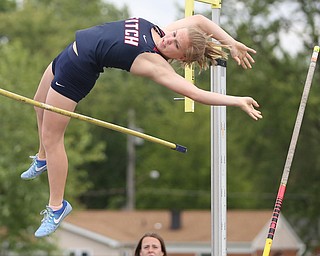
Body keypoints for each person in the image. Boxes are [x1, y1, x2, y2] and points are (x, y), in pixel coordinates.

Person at [20, 14, 263, 238]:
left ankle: (57, 206)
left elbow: (197, 94)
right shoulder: (161, 33)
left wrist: (237, 101)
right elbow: (200, 20)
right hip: (70, 52)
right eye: (175, 36)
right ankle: (42, 159)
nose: (170, 40)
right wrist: (230, 42)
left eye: (176, 45)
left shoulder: (155, 64)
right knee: (37, 104)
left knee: (52, 138)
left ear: (182, 58)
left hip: (78, 70)